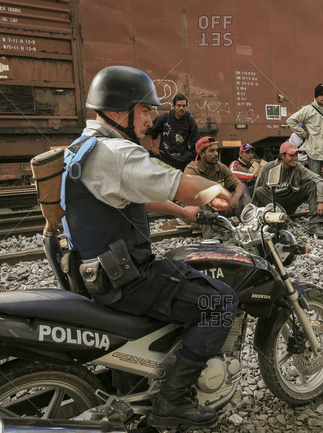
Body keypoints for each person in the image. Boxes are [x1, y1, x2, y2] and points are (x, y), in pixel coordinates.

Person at [61, 66, 238, 429]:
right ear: (116, 112)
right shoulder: (116, 152)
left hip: (95, 273)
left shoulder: (82, 146)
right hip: (130, 279)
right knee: (221, 301)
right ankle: (173, 401)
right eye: (143, 110)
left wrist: (183, 212)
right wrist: (217, 192)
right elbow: (175, 182)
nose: (150, 120)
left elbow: (132, 192)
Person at [252, 141, 323, 238]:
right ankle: (284, 221)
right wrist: (254, 216)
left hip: (290, 200)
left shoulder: (297, 167)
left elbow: (318, 179)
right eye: (291, 155)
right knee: (259, 191)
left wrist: (321, 201)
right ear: (282, 156)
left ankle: (314, 224)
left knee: (311, 184)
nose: (295, 158)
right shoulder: (268, 168)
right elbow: (256, 192)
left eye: (296, 155)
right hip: (274, 204)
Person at [185, 137, 248, 237]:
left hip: (218, 209)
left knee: (241, 198)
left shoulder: (220, 167)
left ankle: (252, 228)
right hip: (197, 212)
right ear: (201, 154)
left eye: (216, 150)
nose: (216, 154)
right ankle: (213, 237)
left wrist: (235, 198)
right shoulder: (192, 169)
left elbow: (239, 184)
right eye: (211, 151)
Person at [287, 83, 323, 175]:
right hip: (315, 149)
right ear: (316, 97)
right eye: (321, 95)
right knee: (314, 176)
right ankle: (316, 190)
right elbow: (291, 121)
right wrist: (304, 134)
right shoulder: (309, 110)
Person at [146, 93, 200, 171]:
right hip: (165, 159)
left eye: (184, 106)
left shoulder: (190, 121)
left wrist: (192, 157)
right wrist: (152, 148)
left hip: (182, 160)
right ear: (174, 106)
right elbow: (150, 130)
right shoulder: (165, 118)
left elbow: (196, 142)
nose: (181, 108)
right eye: (179, 105)